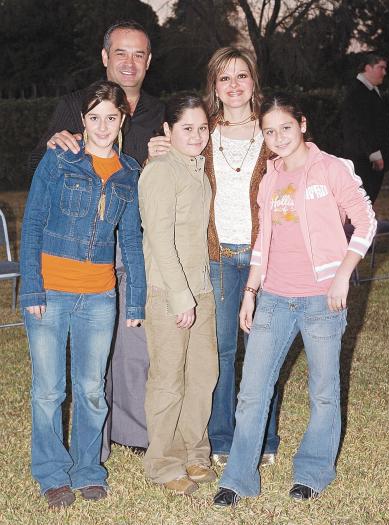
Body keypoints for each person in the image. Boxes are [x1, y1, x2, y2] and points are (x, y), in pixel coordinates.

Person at [213, 93, 377, 507]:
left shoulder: (333, 169)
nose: (278, 137)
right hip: (273, 297)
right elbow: (263, 242)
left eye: (285, 127)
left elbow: (366, 221)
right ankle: (238, 479)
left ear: (302, 124)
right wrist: (250, 292)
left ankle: (312, 472)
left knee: (323, 390)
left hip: (323, 299)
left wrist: (342, 277)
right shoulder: (270, 177)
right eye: (269, 131)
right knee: (253, 390)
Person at [29, 19, 165, 461]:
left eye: (138, 54)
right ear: (105, 57)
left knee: (131, 347)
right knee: (85, 359)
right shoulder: (75, 104)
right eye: (120, 53)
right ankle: (94, 447)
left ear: (149, 61)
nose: (129, 62)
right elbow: (43, 170)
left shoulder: (158, 113)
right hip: (74, 249)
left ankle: (132, 432)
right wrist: (55, 139)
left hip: (134, 239)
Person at [149, 46, 280, 467]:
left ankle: (264, 436)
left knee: (263, 349)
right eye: (224, 78)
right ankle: (221, 437)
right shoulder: (203, 135)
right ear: (214, 86)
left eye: (242, 76)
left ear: (253, 81)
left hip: (264, 258)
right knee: (221, 353)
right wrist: (161, 147)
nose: (234, 85)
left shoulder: (274, 134)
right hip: (219, 259)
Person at [20, 80, 146, 509]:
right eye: (95, 117)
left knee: (92, 390)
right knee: (49, 390)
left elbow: (130, 240)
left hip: (99, 298)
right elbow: (33, 222)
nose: (103, 126)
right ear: (82, 120)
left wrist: (135, 300)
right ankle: (53, 474)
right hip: (51, 292)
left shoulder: (130, 172)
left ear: (122, 118)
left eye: (111, 117)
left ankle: (88, 469)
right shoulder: (60, 159)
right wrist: (31, 286)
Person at [139, 93, 218, 496]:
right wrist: (179, 295)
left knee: (203, 375)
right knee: (168, 380)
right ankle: (163, 462)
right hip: (169, 291)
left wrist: (196, 292)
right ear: (167, 131)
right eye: (187, 128)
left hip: (201, 288)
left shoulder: (197, 169)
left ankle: (194, 452)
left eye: (203, 127)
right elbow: (159, 239)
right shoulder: (161, 171)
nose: (197, 135)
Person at [342, 52, 389, 204]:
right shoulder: (358, 93)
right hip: (364, 161)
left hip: (369, 159)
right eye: (380, 67)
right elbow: (360, 128)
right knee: (363, 202)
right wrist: (375, 155)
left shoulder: (370, 91)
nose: (384, 72)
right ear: (367, 68)